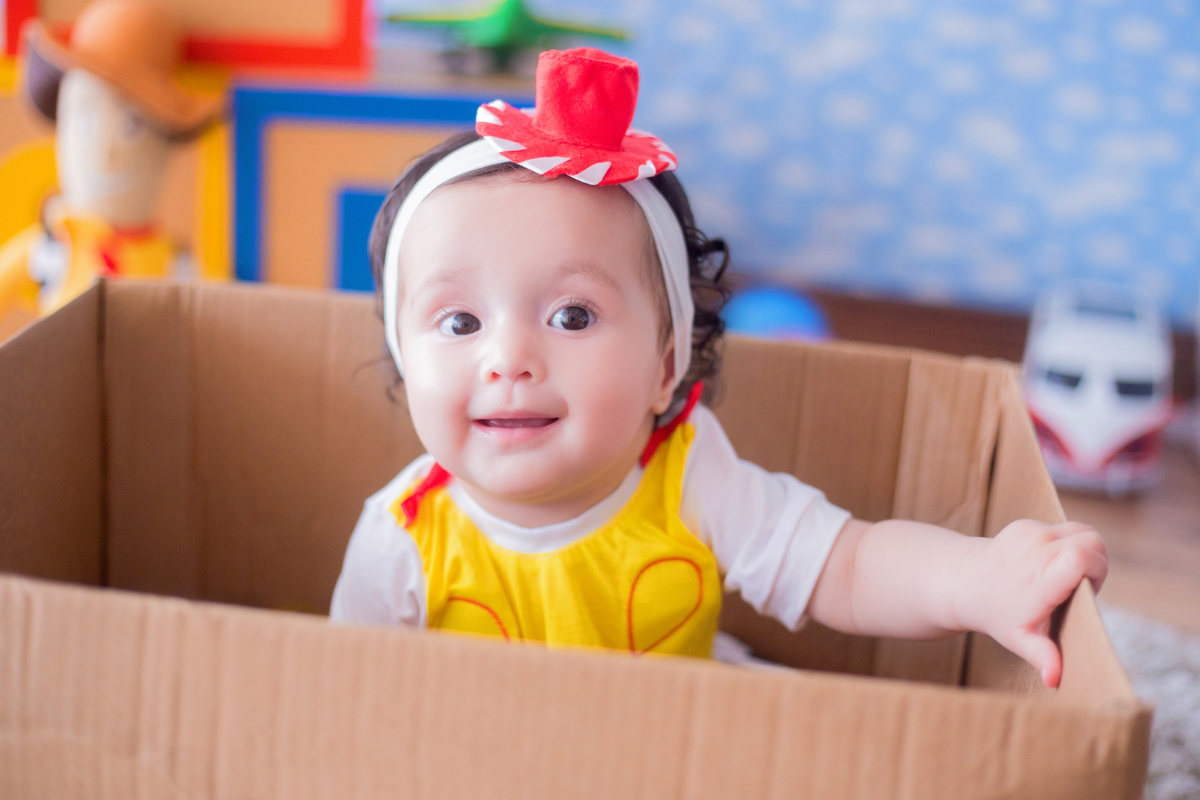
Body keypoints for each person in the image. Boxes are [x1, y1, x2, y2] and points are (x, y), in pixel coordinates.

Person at [330, 47, 1107, 687]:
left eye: (573, 316)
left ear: (666, 367)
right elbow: (342, 696)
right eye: (460, 322)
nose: (509, 360)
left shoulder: (692, 476)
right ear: (406, 358)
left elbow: (847, 562)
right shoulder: (401, 538)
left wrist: (982, 580)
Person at [0, 0, 219, 319]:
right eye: (84, 123)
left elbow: (232, 314)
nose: (106, 152)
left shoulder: (175, 263)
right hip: (60, 365)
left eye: (132, 128)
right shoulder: (52, 246)